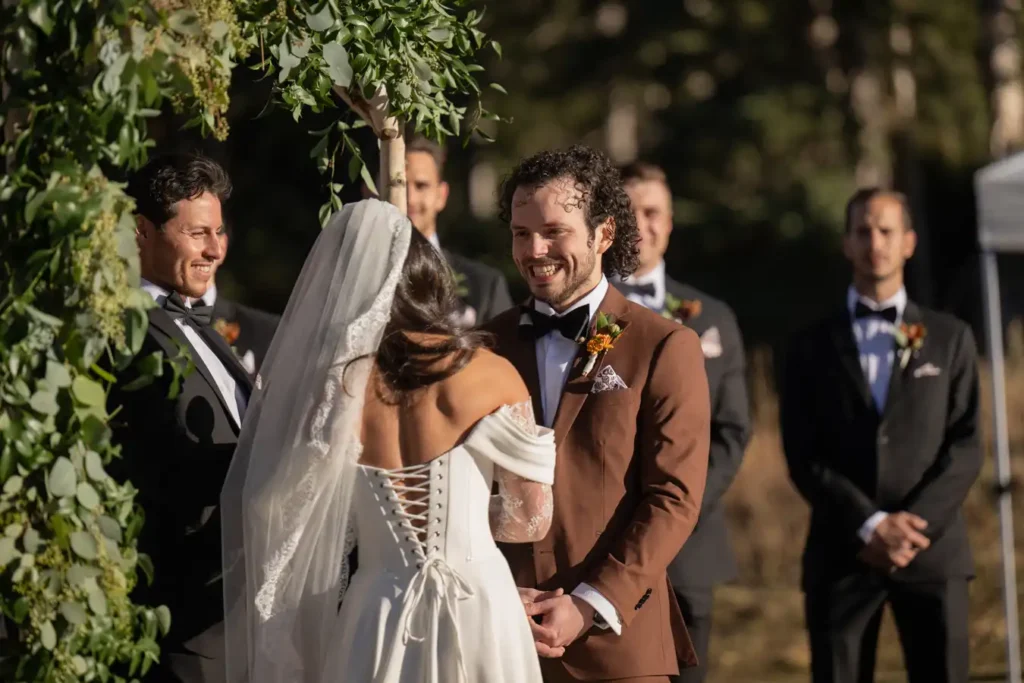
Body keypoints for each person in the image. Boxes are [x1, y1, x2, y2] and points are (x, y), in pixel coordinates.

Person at [220, 199, 557, 683]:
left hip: (376, 613)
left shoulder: (328, 395)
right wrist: (464, 530)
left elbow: (293, 516)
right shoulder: (490, 374)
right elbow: (530, 519)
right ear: (425, 279)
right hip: (479, 604)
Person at [483, 145, 712, 682]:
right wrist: (494, 591)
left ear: (603, 234)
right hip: (501, 642)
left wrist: (590, 603)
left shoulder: (663, 345)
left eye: (554, 231)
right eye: (521, 233)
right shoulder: (484, 346)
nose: (534, 250)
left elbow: (674, 499)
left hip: (618, 650)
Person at [780, 188, 982, 683]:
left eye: (886, 231)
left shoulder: (950, 338)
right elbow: (803, 453)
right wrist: (869, 525)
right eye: (863, 231)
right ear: (846, 243)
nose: (875, 242)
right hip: (842, 552)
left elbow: (966, 443)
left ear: (909, 242)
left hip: (932, 552)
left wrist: (913, 526)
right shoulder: (808, 346)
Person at [110, 152, 251, 683]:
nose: (215, 249)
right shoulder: (126, 332)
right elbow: (158, 467)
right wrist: (279, 454)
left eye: (218, 232)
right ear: (141, 231)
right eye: (197, 234)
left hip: (235, 614)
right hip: (180, 629)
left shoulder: (205, 328)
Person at [616, 162, 751, 683]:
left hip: (689, 551)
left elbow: (732, 430)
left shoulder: (713, 318)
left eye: (652, 212)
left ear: (670, 223)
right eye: (629, 211)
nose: (641, 224)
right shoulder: (578, 314)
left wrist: (679, 509)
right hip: (600, 547)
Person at [405, 132, 514, 325]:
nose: (410, 199)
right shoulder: (354, 279)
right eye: (397, 186)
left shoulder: (485, 287)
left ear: (441, 195)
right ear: (369, 191)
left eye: (421, 186)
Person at [200, 224, 281, 376]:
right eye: (194, 234)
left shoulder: (270, 332)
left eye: (200, 234)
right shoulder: (152, 319)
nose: (206, 250)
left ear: (222, 246)